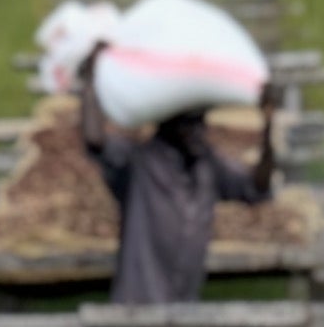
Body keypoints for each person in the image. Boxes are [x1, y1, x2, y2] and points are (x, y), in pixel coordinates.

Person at [72, 51, 280, 308]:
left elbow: (256, 188)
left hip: (183, 304)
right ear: (169, 126)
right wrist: (90, 82)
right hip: (136, 307)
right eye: (189, 125)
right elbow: (95, 142)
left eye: (201, 124)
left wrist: (269, 124)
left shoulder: (207, 166)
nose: (199, 134)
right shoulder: (141, 162)